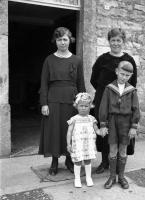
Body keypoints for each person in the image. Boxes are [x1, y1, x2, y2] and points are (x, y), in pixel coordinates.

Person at [39, 27, 86, 175]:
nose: (62, 42)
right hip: (53, 100)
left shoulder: (77, 60)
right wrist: (44, 103)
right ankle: (54, 161)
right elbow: (44, 83)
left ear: (70, 40)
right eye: (59, 39)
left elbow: (81, 84)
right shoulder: (49, 60)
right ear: (55, 41)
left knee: (71, 131)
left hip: (72, 101)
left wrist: (83, 103)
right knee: (54, 130)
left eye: (65, 39)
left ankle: (69, 160)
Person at [90, 28, 138, 174]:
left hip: (123, 102)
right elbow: (93, 80)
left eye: (118, 40)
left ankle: (118, 162)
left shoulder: (129, 60)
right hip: (103, 101)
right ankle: (105, 162)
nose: (116, 43)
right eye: (113, 40)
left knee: (122, 131)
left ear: (123, 42)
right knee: (105, 130)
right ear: (109, 41)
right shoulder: (102, 59)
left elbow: (133, 83)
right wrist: (105, 94)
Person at [99, 61, 140, 189]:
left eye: (127, 75)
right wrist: (103, 124)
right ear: (117, 71)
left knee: (123, 149)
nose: (124, 77)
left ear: (131, 76)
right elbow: (103, 107)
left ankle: (121, 176)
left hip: (126, 123)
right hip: (112, 121)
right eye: (122, 74)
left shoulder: (132, 90)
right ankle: (112, 176)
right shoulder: (109, 88)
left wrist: (134, 126)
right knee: (112, 149)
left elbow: (136, 109)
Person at [67, 93, 101, 188]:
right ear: (76, 106)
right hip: (77, 145)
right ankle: (77, 179)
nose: (83, 108)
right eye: (81, 106)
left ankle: (88, 177)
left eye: (86, 106)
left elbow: (96, 130)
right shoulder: (74, 119)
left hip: (88, 145)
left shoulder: (92, 119)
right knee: (77, 161)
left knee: (87, 161)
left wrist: (101, 131)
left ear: (90, 107)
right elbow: (69, 132)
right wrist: (68, 144)